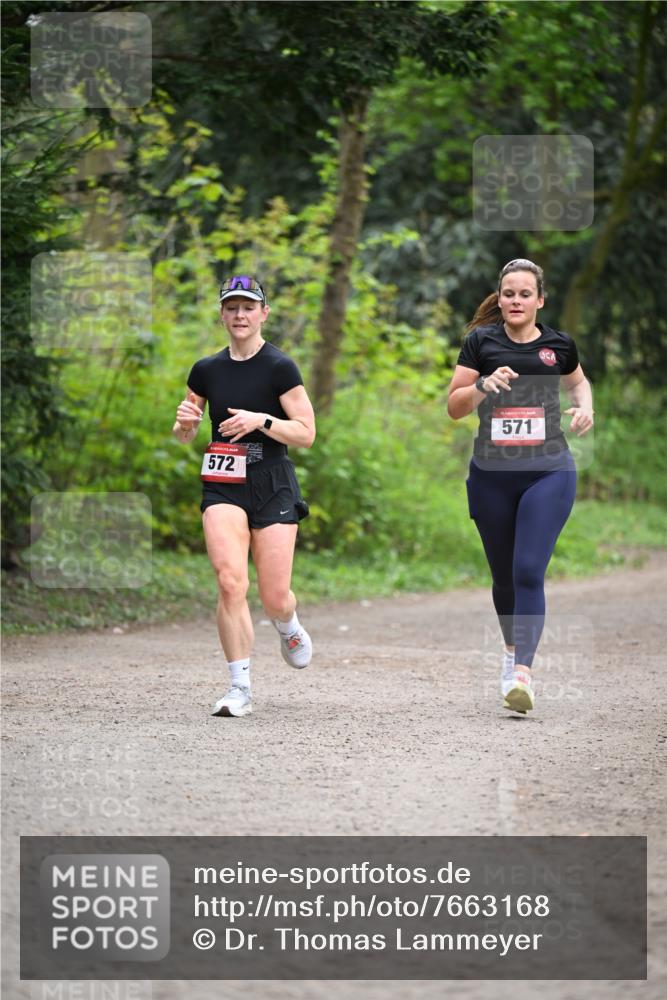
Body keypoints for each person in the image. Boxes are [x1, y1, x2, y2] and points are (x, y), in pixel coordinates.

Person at [447, 259, 594, 714]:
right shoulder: (480, 343)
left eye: (525, 294)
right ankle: (512, 653)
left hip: (548, 470)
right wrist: (483, 386)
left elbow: (579, 383)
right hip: (491, 475)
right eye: (508, 294)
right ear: (500, 298)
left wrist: (585, 408)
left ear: (539, 300)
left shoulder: (558, 345)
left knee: (528, 569)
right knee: (504, 577)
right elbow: (454, 406)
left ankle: (523, 674)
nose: (516, 301)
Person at [173, 275, 316, 718]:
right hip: (223, 481)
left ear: (263, 314)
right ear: (221, 314)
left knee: (274, 597)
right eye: (232, 307)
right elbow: (185, 431)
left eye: (248, 307)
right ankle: (239, 687)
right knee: (230, 581)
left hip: (272, 482)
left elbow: (306, 433)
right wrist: (184, 424)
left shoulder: (280, 367)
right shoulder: (206, 370)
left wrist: (261, 421)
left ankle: (287, 623)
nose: (240, 315)